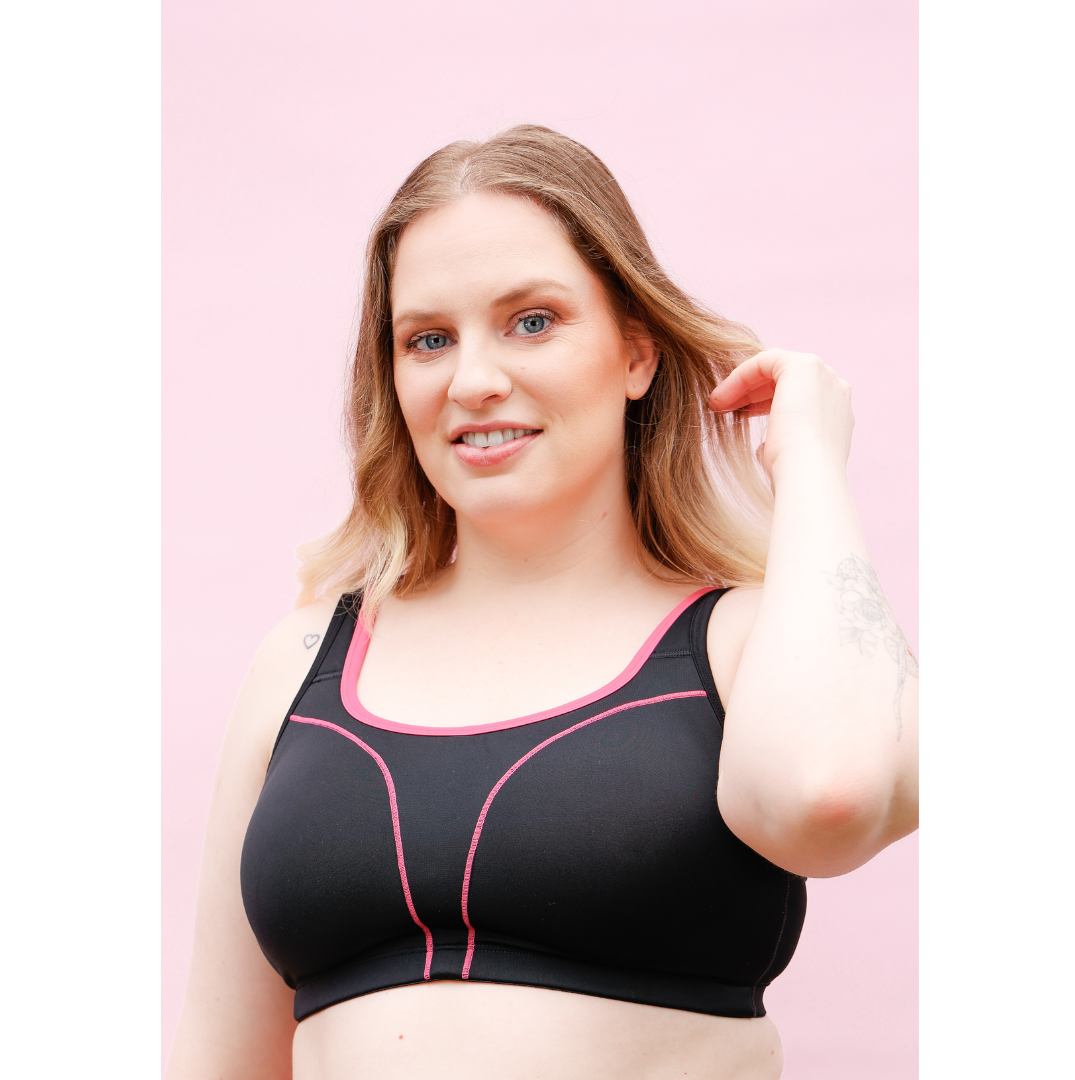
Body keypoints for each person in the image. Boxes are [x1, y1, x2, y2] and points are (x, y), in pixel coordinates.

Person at [167, 125, 918, 1080]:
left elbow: (827, 799)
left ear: (636, 351)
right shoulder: (303, 660)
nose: (474, 382)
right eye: (428, 339)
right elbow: (219, 1061)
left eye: (532, 321)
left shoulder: (746, 644)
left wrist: (807, 457)